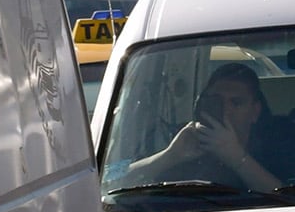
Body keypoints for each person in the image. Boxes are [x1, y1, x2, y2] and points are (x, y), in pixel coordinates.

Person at [119, 61, 281, 192]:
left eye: (236, 102)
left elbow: (289, 198)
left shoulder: (278, 143)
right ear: (201, 104)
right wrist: (168, 156)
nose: (226, 109)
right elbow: (109, 178)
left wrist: (237, 158)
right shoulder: (182, 138)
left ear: (255, 111)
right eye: (217, 101)